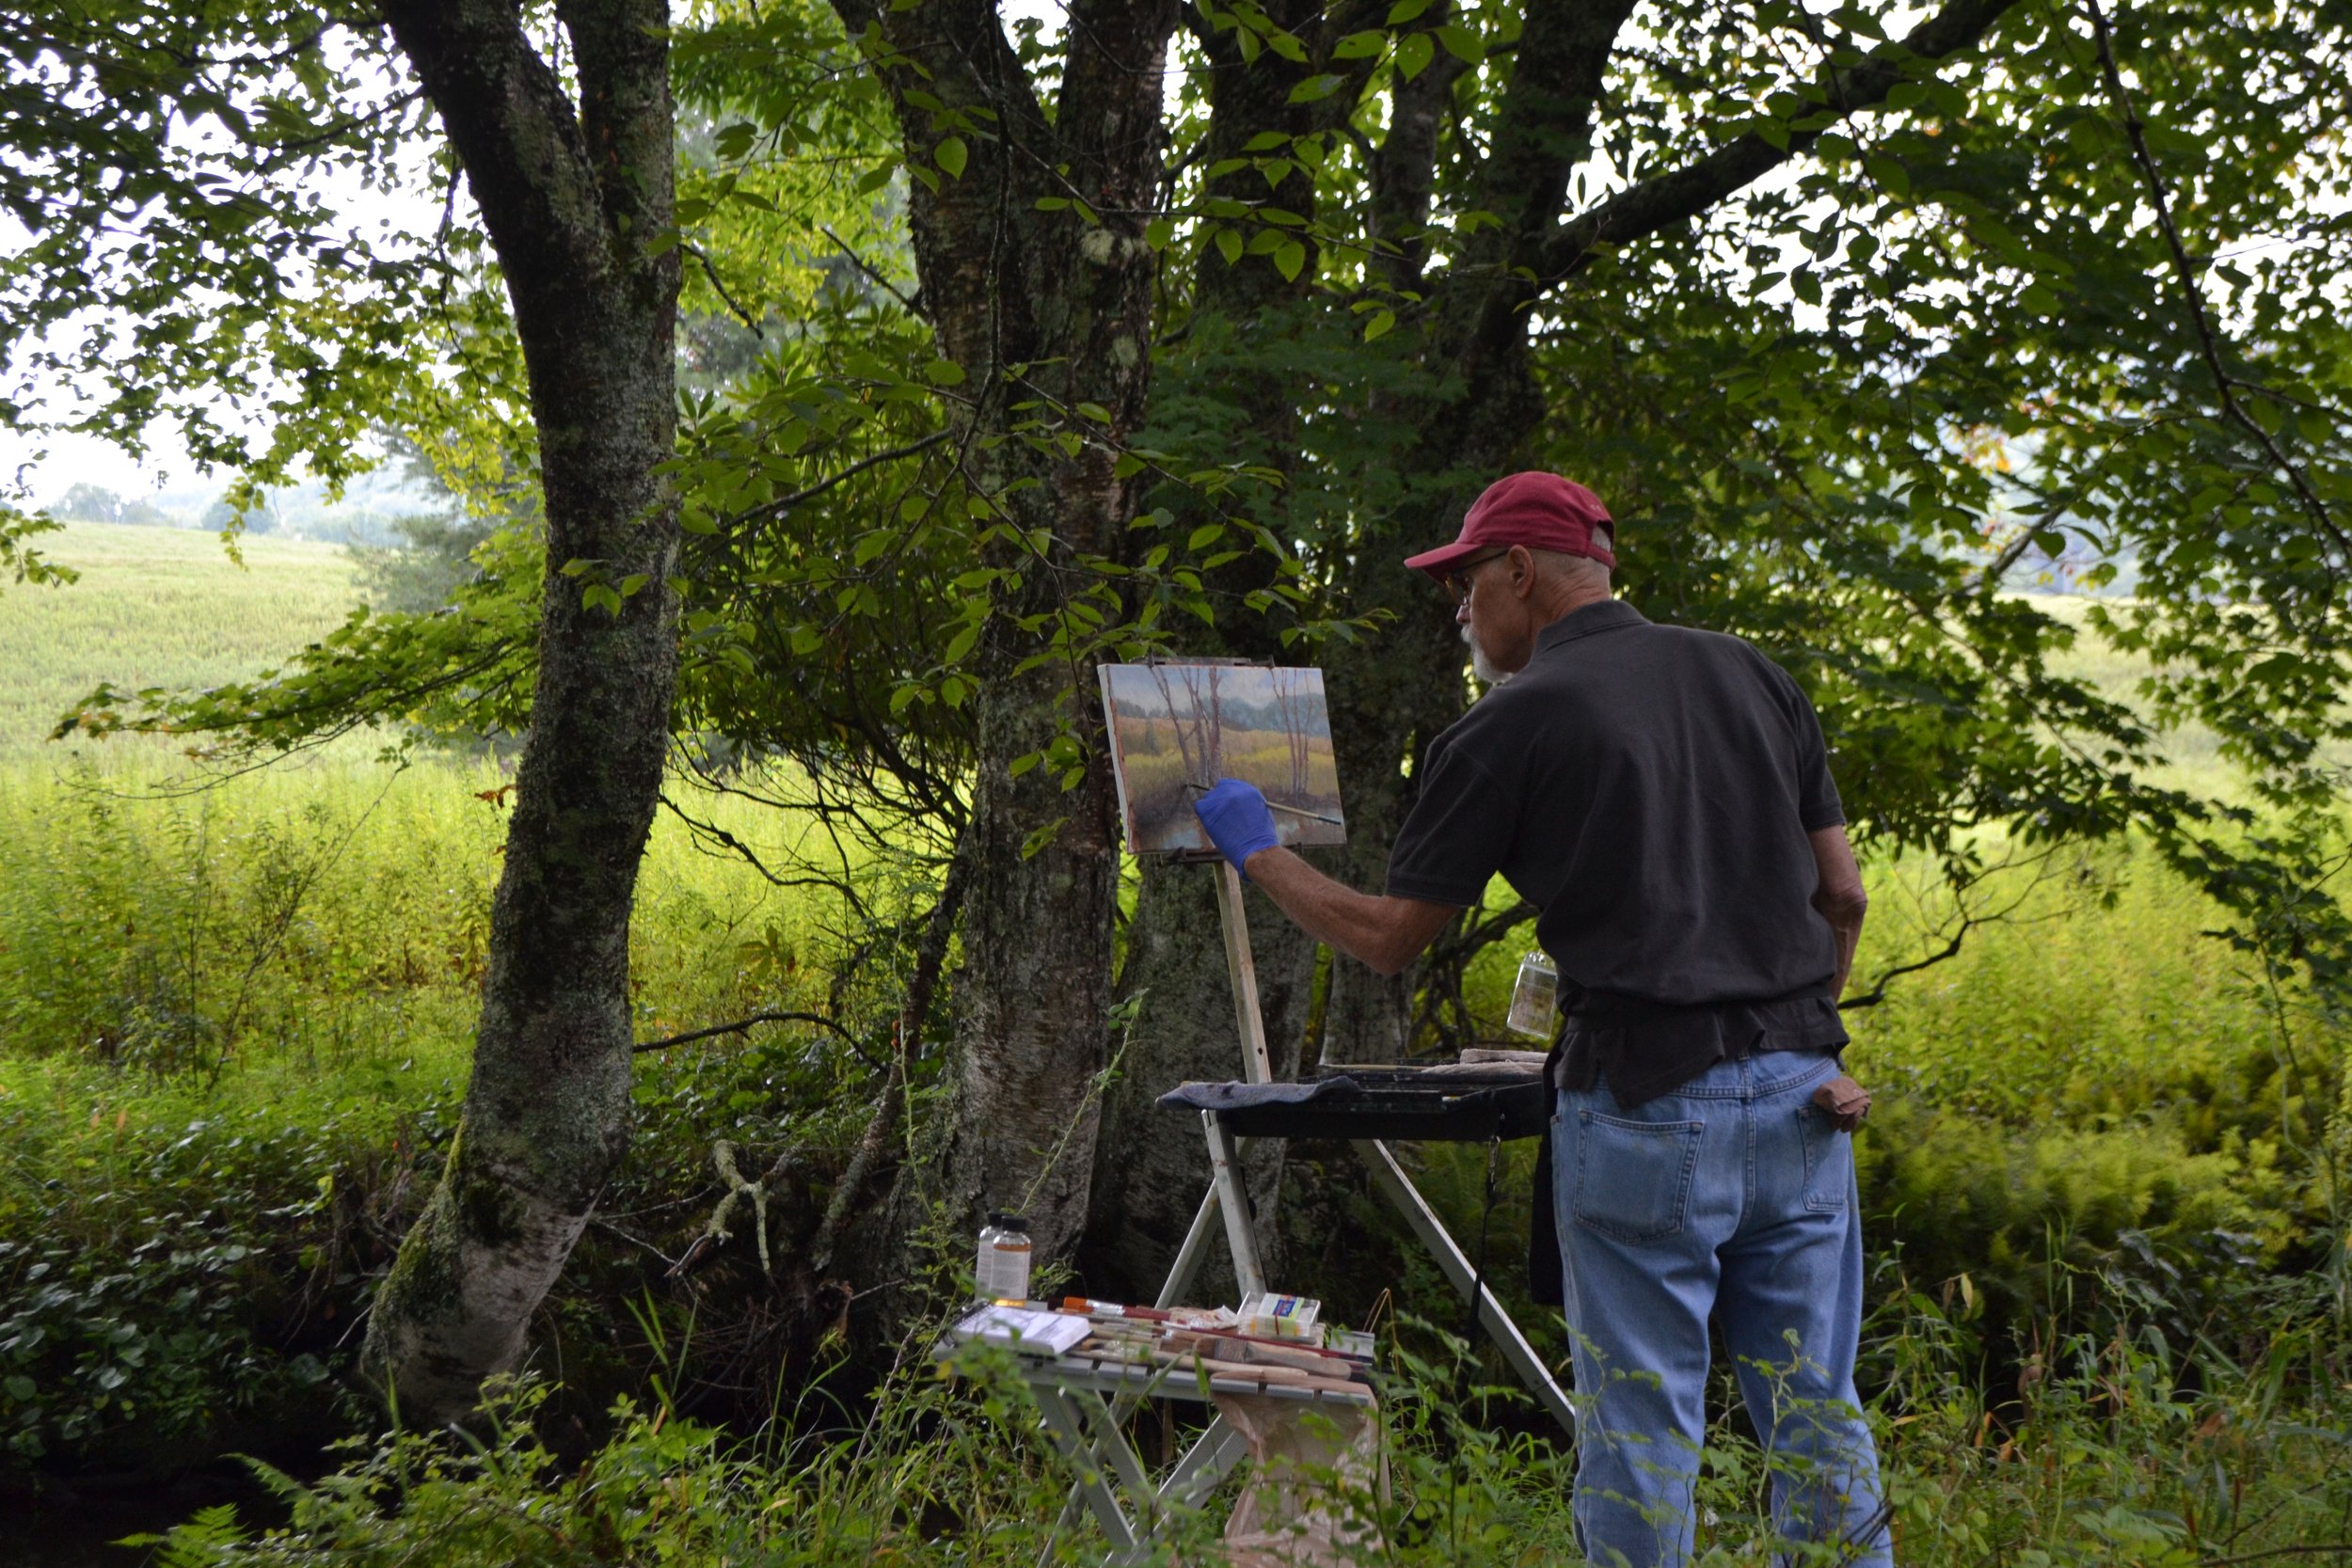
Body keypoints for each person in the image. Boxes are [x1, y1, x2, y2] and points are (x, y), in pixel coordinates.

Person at [1191, 471, 1889, 1568]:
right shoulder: (1752, 672)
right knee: (1814, 1408)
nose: (1457, 611)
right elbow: (1842, 893)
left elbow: (1388, 936)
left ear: (1521, 570)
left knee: (1641, 1421)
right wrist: (1806, 1027)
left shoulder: (1512, 721)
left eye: (1467, 582)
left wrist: (1255, 848)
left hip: (1651, 1106)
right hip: (1806, 1097)